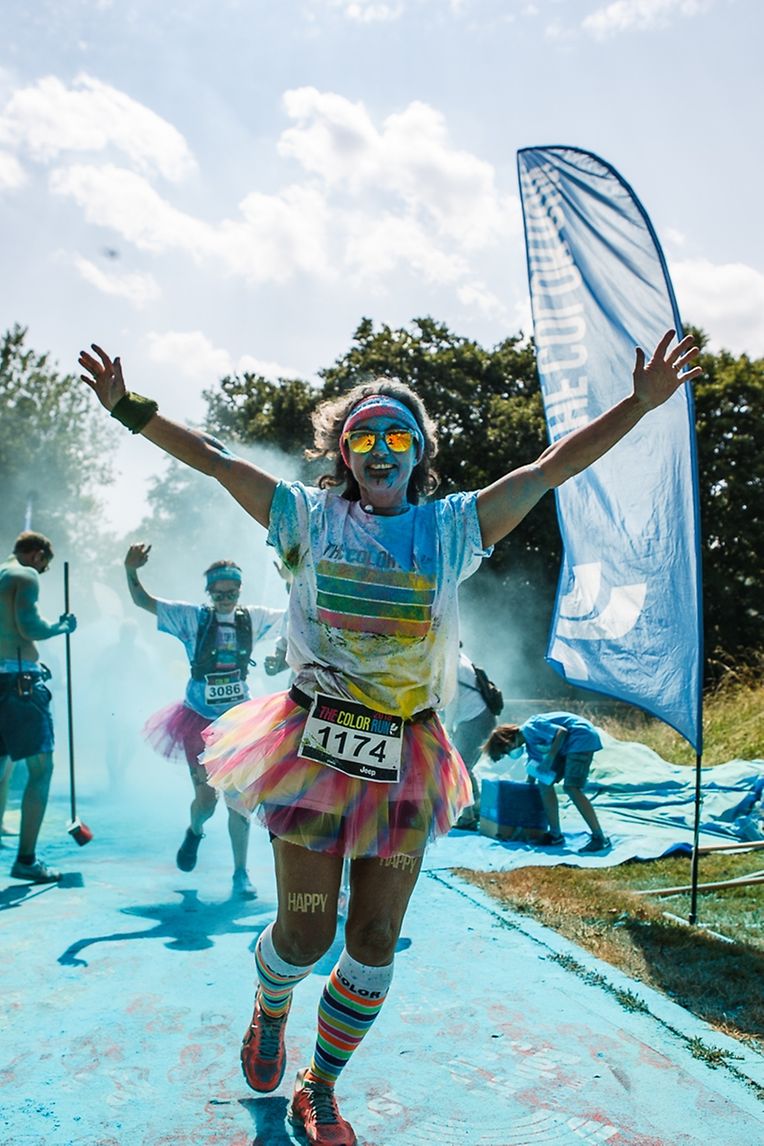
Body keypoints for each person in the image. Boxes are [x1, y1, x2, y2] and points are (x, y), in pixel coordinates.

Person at [79, 328, 700, 1146]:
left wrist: (640, 403)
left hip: (407, 755)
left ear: (418, 453)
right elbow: (214, 458)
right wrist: (128, 408)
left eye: (397, 435)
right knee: (304, 937)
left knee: (372, 941)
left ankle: (319, 1085)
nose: (380, 447)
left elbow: (551, 469)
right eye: (363, 434)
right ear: (343, 451)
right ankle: (271, 1007)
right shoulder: (302, 516)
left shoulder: (452, 529)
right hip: (310, 748)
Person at [124, 543, 285, 898]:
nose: (225, 598)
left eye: (232, 592)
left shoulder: (252, 618)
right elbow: (143, 602)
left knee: (238, 798)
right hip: (197, 719)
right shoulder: (193, 618)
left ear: (240, 591)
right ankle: (195, 830)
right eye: (219, 592)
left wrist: (291, 580)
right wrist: (131, 570)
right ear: (209, 592)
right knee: (207, 801)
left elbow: (296, 617)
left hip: (238, 722)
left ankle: (240, 873)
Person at [0, 531, 77, 883]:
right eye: (45, 564)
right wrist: (60, 626)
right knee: (40, 769)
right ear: (38, 554)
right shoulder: (24, 574)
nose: (43, 571)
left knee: (3, 765)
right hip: (21, 684)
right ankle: (27, 860)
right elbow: (27, 625)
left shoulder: (1, 573)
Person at [485, 712, 610, 853]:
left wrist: (550, 758)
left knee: (571, 787)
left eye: (506, 751)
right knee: (544, 784)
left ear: (508, 740)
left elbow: (562, 732)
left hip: (580, 738)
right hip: (566, 747)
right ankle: (555, 834)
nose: (510, 754)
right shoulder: (530, 746)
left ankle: (599, 837)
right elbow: (534, 771)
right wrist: (525, 791)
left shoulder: (531, 727)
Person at [447, 647, 498, 830]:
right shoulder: (463, 659)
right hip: (484, 717)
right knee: (465, 767)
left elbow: (452, 699)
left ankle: (467, 816)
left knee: (459, 769)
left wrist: (449, 726)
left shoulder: (451, 665)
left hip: (472, 720)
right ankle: (476, 809)